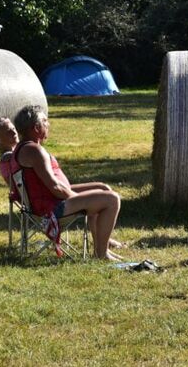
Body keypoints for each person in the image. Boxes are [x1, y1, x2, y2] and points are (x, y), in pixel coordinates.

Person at [11, 105, 124, 260]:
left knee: (102, 188)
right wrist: (78, 198)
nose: (48, 124)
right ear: (36, 128)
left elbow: (48, 185)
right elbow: (55, 187)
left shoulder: (23, 148)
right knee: (112, 199)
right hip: (50, 210)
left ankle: (102, 242)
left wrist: (82, 197)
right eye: (45, 121)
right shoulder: (34, 151)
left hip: (45, 201)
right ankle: (101, 253)